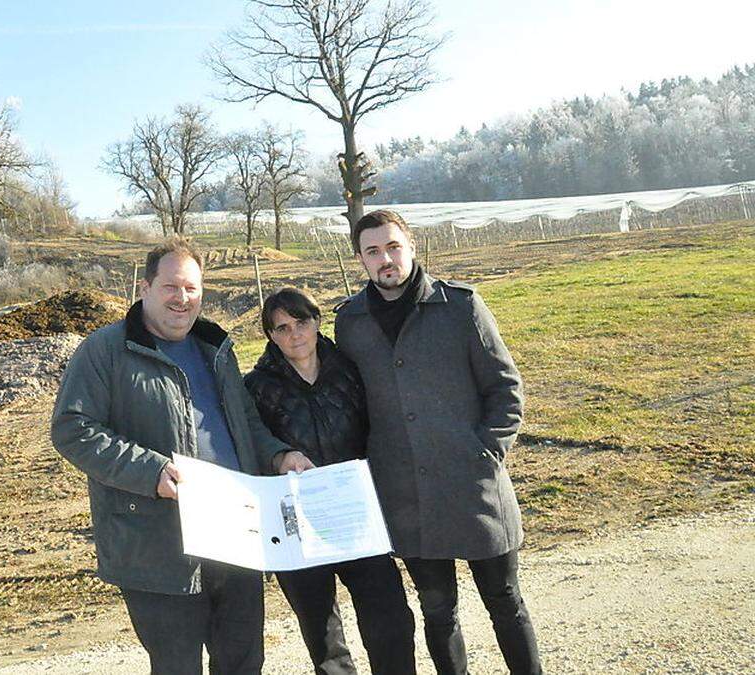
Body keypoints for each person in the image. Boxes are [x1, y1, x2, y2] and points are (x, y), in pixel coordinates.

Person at [51, 237, 313, 675]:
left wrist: (280, 456)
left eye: (192, 288)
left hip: (237, 535)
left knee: (243, 663)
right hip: (159, 546)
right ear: (145, 288)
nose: (183, 298)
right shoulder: (106, 350)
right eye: (171, 286)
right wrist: (150, 471)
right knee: (177, 667)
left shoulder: (215, 350)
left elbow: (244, 423)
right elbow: (72, 429)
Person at [334, 210, 542, 675]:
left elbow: (505, 388)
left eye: (392, 246)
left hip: (473, 486)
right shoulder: (350, 322)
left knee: (505, 601)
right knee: (438, 610)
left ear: (411, 245)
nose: (385, 259)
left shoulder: (460, 307)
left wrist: (487, 452)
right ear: (360, 260)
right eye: (372, 251)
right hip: (405, 494)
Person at [244, 286, 417, 675]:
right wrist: (279, 456)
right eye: (282, 328)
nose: (294, 335)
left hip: (355, 513)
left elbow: (381, 427)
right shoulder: (257, 387)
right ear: (271, 335)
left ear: (316, 321)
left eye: (300, 322)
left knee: (389, 617)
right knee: (323, 637)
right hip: (298, 528)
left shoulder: (350, 370)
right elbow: (252, 444)